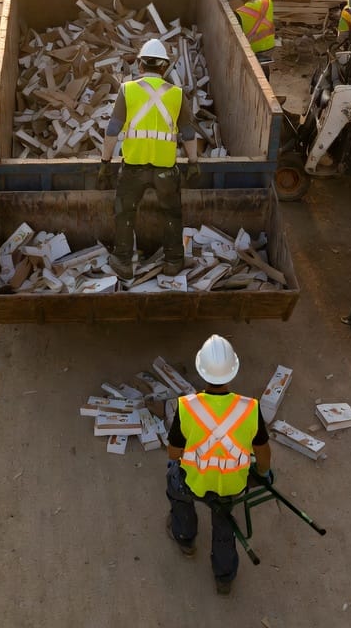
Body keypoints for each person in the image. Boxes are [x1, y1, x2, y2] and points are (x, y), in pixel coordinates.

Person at [166, 334, 272, 596]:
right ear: (232, 372)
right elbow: (263, 451)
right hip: (231, 486)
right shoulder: (250, 409)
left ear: (202, 372)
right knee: (225, 524)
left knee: (174, 481)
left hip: (194, 482)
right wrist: (263, 472)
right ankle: (224, 578)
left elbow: (173, 452)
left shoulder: (187, 407)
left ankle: (185, 539)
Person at [97, 38, 199, 281]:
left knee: (125, 213)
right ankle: (174, 261)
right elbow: (188, 133)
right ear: (164, 67)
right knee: (172, 213)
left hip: (133, 167)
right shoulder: (176, 94)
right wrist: (193, 162)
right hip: (165, 169)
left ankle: (122, 261)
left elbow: (112, 130)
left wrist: (105, 162)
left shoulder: (127, 90)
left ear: (140, 65)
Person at [234, 0, 275, 75]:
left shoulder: (239, 12)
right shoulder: (267, 2)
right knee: (264, 68)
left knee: (253, 72)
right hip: (270, 46)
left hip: (254, 48)